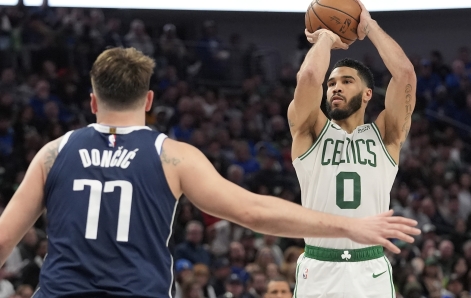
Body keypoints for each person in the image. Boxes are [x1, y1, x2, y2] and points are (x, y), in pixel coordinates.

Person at [0, 47, 419, 297]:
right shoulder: (173, 156)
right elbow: (254, 212)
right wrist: (349, 227)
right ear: (149, 100)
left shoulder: (53, 153)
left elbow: (3, 240)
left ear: (92, 102)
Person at [288, 0, 417, 297]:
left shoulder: (386, 135)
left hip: (369, 266)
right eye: (331, 82)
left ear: (368, 93)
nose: (335, 87)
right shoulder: (310, 130)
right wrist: (325, 38)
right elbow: (308, 78)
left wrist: (367, 26)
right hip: (319, 265)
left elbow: (406, 75)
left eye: (346, 81)